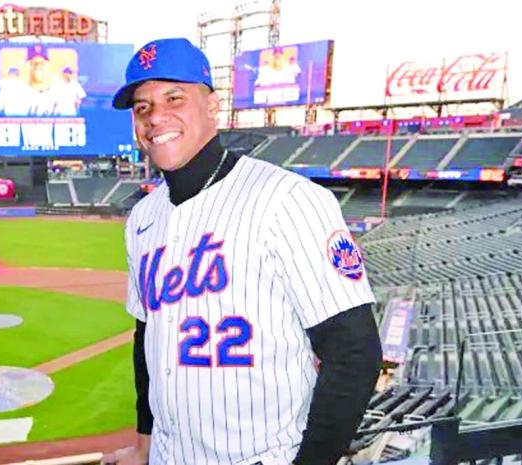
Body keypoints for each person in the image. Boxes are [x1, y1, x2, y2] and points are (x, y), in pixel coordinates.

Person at [101, 38, 383, 465]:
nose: (156, 116)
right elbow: (147, 337)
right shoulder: (142, 217)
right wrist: (145, 442)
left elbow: (354, 351)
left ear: (213, 106)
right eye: (142, 107)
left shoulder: (287, 199)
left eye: (174, 97)